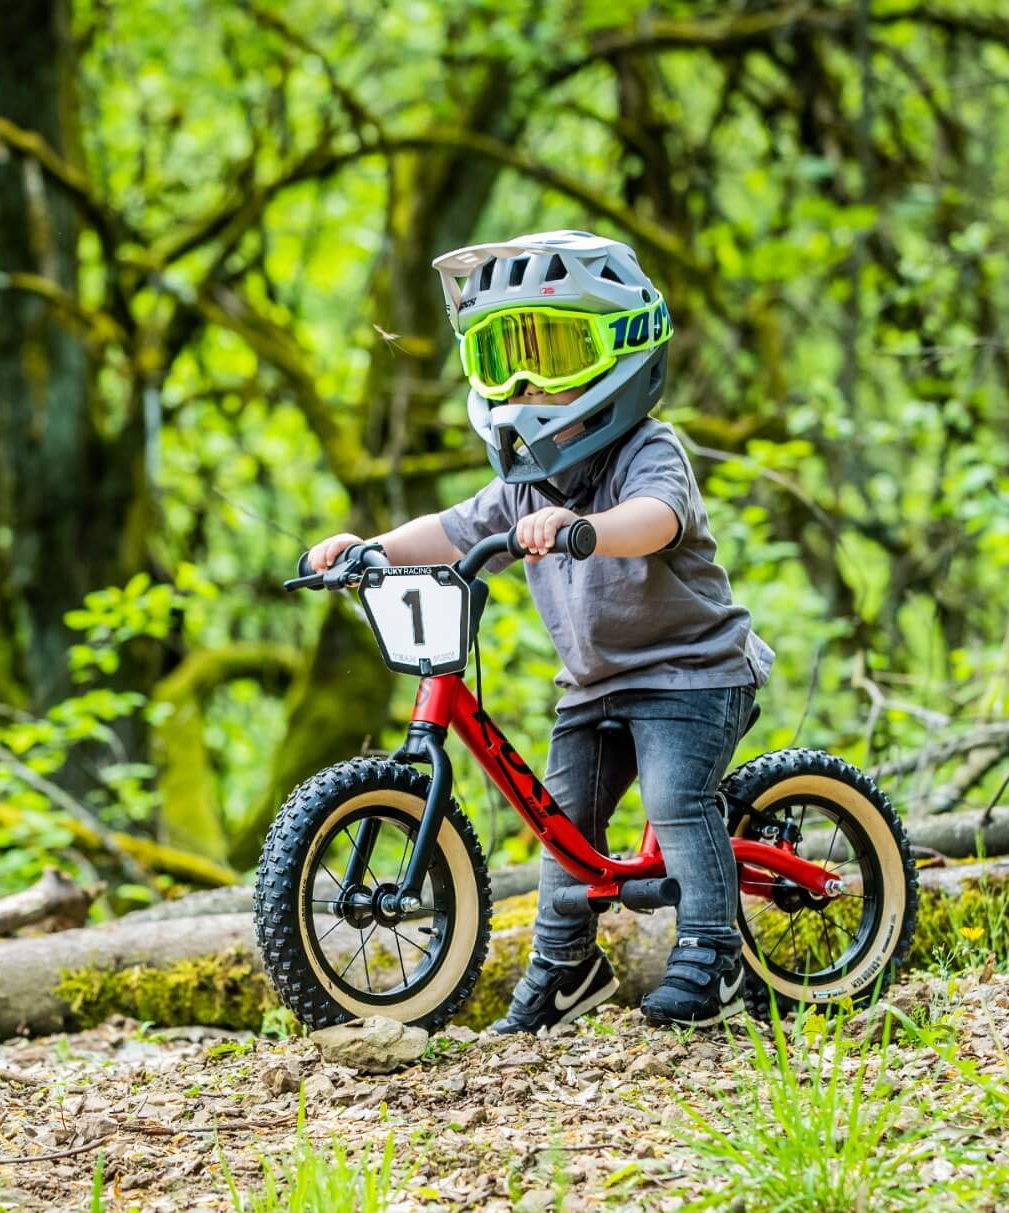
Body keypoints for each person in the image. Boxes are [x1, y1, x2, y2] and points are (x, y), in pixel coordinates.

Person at [304, 229, 773, 1031]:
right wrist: (370, 548)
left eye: (550, 354)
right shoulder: (524, 483)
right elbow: (450, 530)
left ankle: (712, 951)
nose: (524, 381)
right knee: (561, 822)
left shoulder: (645, 449)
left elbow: (658, 519)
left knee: (674, 798)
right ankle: (565, 967)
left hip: (694, 676)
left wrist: (586, 528)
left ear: (617, 352)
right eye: (503, 356)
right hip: (593, 689)